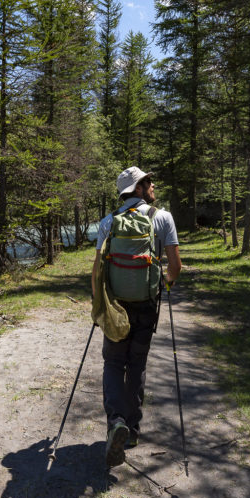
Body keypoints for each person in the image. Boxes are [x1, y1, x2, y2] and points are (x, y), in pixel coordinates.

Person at [91, 166, 181, 468]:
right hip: (146, 303)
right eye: (148, 181)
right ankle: (131, 431)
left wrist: (100, 304)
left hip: (116, 305)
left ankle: (115, 421)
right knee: (137, 362)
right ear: (138, 188)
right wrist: (163, 285)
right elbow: (175, 266)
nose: (152, 185)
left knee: (114, 362)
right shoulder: (162, 218)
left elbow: (98, 270)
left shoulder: (108, 223)